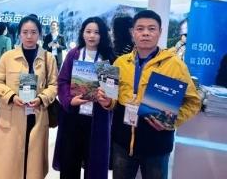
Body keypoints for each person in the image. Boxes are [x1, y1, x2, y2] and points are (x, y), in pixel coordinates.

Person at [107, 10, 201, 179]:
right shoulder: (120, 62)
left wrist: (172, 121)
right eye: (140, 29)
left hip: (157, 144)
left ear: (160, 32)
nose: (145, 33)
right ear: (132, 32)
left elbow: (193, 102)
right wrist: (108, 102)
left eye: (151, 29)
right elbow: (112, 97)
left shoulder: (175, 65)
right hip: (122, 142)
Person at [0, 15, 58, 179]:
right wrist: (11, 96)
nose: (29, 36)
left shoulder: (48, 58)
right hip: (12, 116)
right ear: (19, 34)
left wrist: (42, 98)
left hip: (37, 116)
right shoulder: (8, 57)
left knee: (33, 164)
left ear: (40, 34)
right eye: (25, 32)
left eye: (33, 32)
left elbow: (54, 85)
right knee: (8, 165)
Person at [53, 17, 117, 179]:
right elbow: (62, 81)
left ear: (102, 35)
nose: (92, 36)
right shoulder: (74, 54)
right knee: (69, 162)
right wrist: (69, 100)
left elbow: (112, 91)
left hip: (98, 119)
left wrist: (108, 100)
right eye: (88, 31)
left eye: (96, 32)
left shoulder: (108, 57)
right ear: (82, 33)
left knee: (95, 164)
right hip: (73, 117)